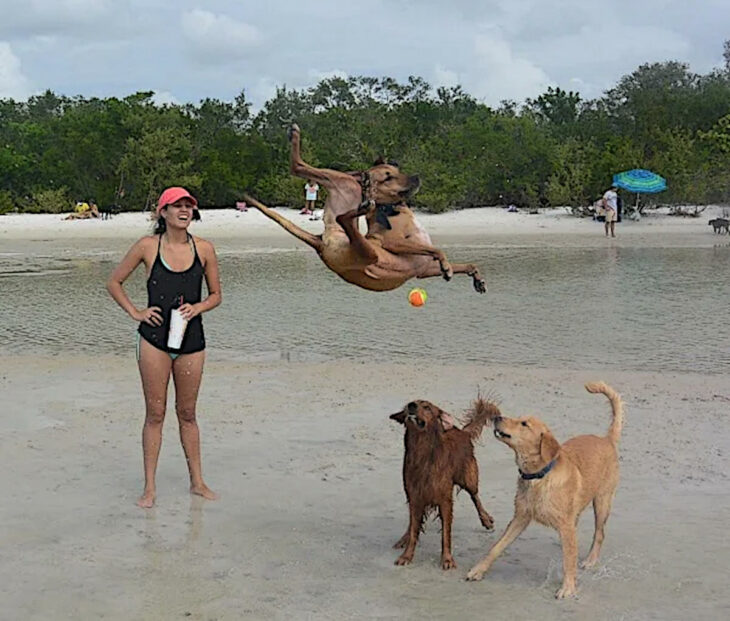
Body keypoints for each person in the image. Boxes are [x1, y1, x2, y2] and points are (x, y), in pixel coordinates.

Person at [106, 186, 222, 508]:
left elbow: (216, 295)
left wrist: (198, 308)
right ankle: (149, 488)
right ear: (163, 212)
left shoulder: (206, 249)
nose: (184, 211)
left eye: (189, 206)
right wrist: (136, 313)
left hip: (191, 341)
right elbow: (113, 282)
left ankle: (197, 482)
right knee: (155, 414)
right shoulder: (147, 246)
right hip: (154, 340)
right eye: (177, 206)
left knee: (187, 413)